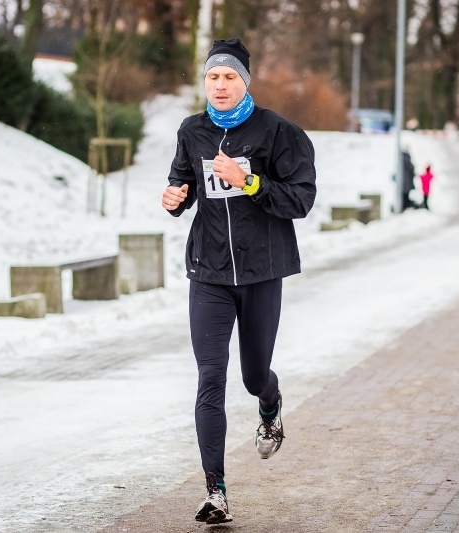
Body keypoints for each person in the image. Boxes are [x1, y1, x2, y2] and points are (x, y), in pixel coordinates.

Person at [160, 38, 317, 524]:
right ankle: (216, 491)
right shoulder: (192, 131)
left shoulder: (277, 132)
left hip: (260, 272)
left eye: (230, 77)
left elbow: (301, 199)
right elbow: (184, 182)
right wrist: (174, 197)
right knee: (210, 377)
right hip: (209, 272)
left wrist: (249, 182)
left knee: (253, 375)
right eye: (213, 77)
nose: (221, 85)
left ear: (245, 82)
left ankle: (269, 403)